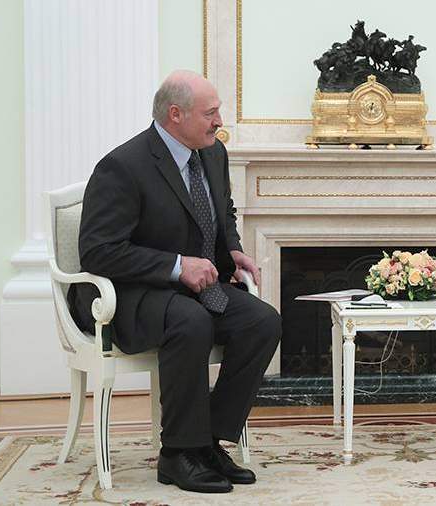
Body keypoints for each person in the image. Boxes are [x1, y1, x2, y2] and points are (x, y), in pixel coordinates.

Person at [70, 70, 281, 494]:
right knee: (190, 321)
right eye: (210, 112)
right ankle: (177, 454)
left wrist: (233, 250)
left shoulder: (213, 153)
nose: (219, 121)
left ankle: (208, 442)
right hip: (131, 294)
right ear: (175, 114)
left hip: (195, 289)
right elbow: (98, 251)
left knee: (262, 321)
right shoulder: (122, 167)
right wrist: (176, 265)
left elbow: (223, 211)